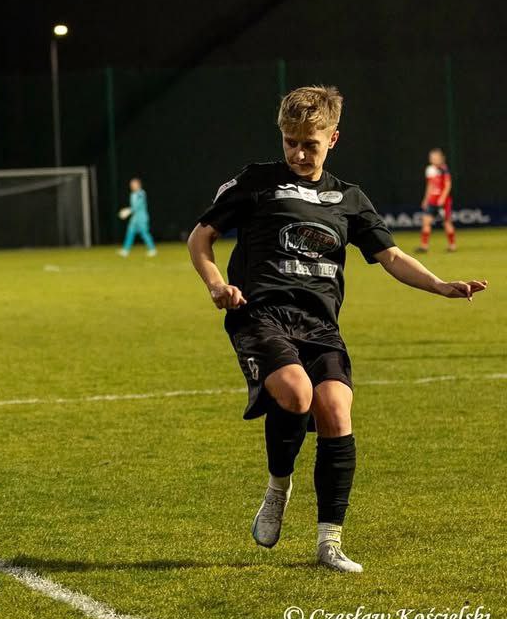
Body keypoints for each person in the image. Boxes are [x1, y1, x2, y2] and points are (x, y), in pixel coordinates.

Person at [186, 86, 486, 573]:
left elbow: (391, 256)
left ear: (334, 139)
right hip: (261, 314)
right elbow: (201, 237)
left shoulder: (350, 198)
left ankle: (330, 543)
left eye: (311, 144)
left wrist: (439, 285)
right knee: (296, 392)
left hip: (320, 323)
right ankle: (278, 488)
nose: (299, 154)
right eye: (291, 143)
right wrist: (217, 284)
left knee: (336, 410)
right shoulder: (256, 181)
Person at [417, 148, 456, 253]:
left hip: (443, 202)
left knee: (447, 223)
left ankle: (452, 245)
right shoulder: (429, 169)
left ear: (440, 158)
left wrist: (442, 198)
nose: (432, 159)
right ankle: (424, 246)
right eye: (431, 157)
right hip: (432, 201)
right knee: (426, 221)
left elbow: (448, 185)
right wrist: (426, 199)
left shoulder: (444, 169)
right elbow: (430, 185)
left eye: (434, 157)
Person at [118, 177, 157, 257]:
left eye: (134, 184)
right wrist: (129, 211)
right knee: (130, 233)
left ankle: (152, 249)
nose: (132, 186)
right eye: (131, 185)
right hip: (135, 218)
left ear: (139, 185)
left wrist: (128, 211)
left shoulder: (141, 193)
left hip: (141, 217)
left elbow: (138, 205)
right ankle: (125, 250)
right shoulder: (132, 194)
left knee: (144, 233)